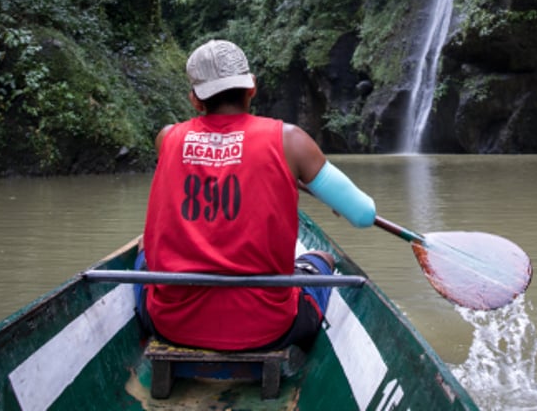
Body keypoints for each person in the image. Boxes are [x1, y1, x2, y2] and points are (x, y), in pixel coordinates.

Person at [139, 39, 377, 351]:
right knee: (322, 258)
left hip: (170, 326)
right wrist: (315, 186)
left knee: (144, 248)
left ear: (196, 101)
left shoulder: (167, 138)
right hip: (268, 329)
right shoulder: (291, 141)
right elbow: (363, 214)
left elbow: (216, 165)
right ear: (252, 87)